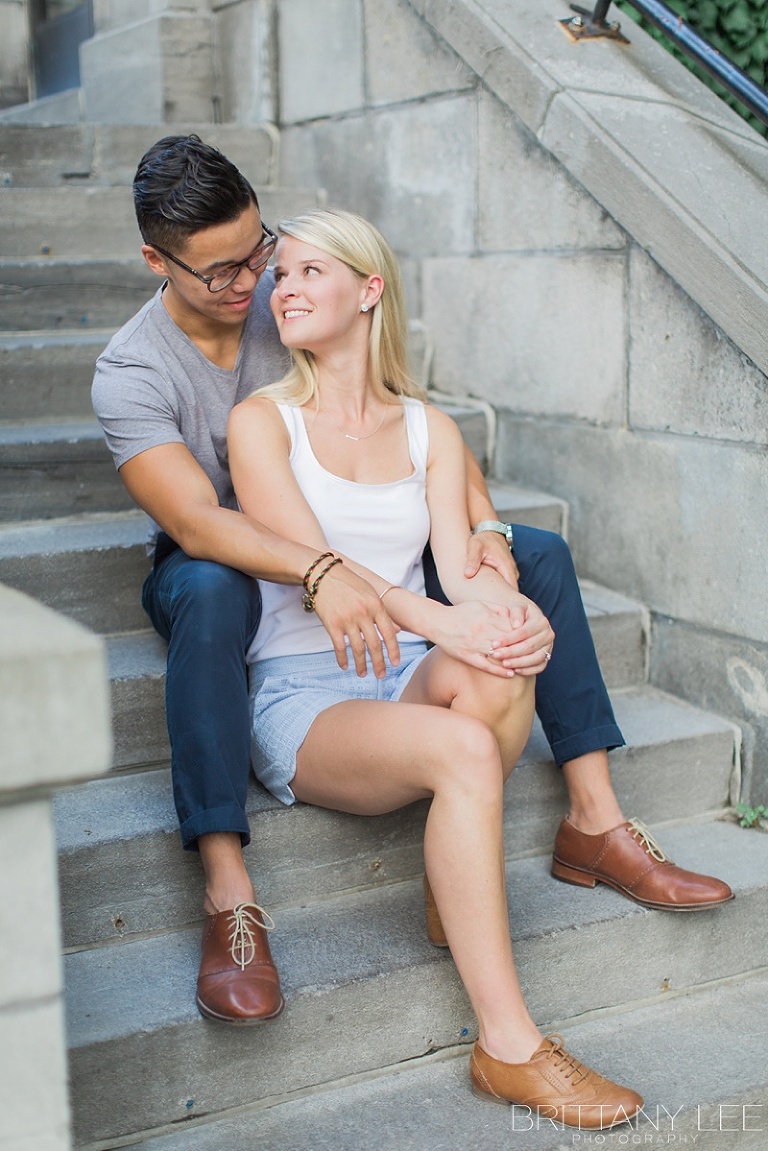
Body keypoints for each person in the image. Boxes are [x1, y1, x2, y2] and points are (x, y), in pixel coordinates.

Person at [91, 135, 732, 1033]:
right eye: (219, 272)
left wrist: (487, 534)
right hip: (231, 551)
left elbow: (416, 428)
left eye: (260, 250)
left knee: (536, 554)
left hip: (344, 533)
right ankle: (228, 889)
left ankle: (593, 815)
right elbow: (200, 520)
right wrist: (321, 571)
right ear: (159, 261)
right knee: (210, 587)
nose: (253, 284)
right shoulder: (132, 368)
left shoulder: (294, 290)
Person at [227, 206, 645, 1125]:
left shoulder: (429, 430)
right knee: (464, 747)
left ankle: (448, 892)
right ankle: (509, 1045)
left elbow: (461, 571)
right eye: (280, 275)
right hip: (307, 695)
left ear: (368, 290)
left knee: (501, 664)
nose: (283, 289)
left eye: (308, 273)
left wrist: (514, 616)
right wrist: (448, 622)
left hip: (403, 671)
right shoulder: (262, 424)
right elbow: (322, 571)